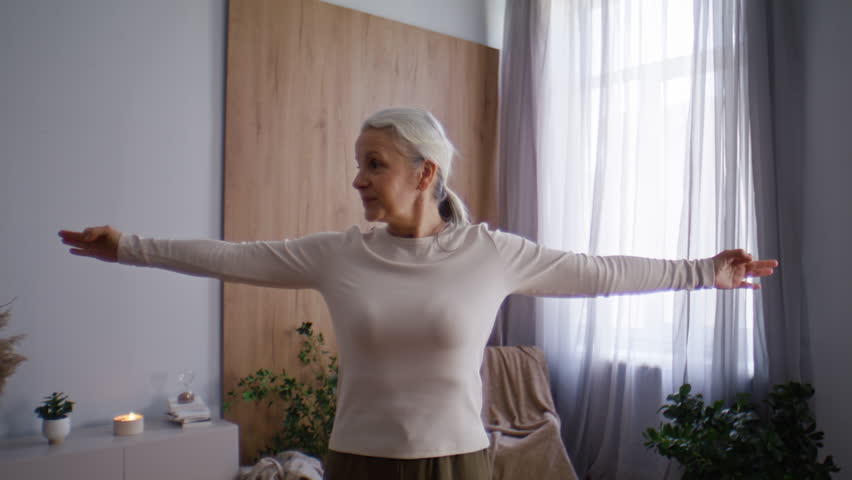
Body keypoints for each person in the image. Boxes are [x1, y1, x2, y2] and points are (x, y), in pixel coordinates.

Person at [59, 106, 777, 480]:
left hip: (458, 465)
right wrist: (129, 248)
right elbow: (234, 257)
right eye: (357, 163)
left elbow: (599, 272)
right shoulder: (341, 254)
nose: (358, 178)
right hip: (360, 462)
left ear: (424, 172)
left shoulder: (491, 254)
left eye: (374, 163)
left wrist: (702, 271)